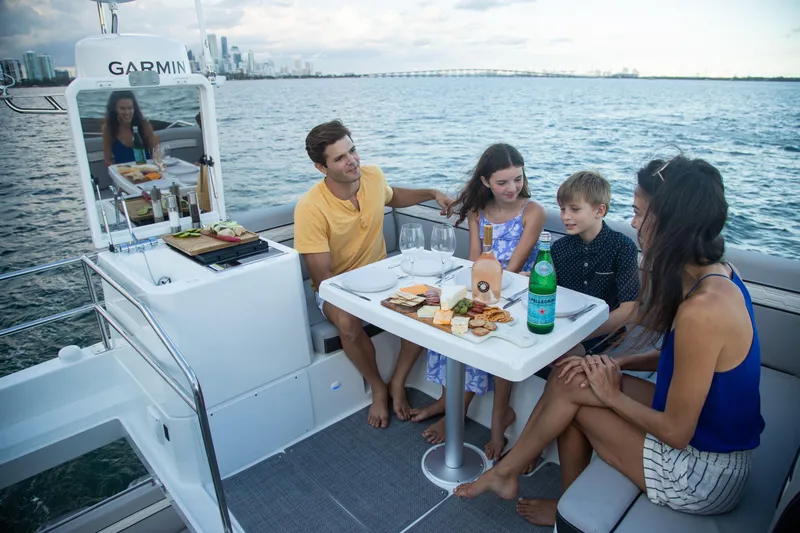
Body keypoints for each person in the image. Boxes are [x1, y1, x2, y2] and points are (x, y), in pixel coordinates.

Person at [454, 155, 765, 527]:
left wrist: (610, 393)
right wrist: (619, 364)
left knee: (573, 393)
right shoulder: (720, 274)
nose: (633, 224)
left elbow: (676, 433)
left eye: (638, 213)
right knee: (572, 375)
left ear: (671, 222)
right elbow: (680, 358)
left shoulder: (704, 311)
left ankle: (514, 478)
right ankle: (517, 477)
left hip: (702, 474)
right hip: (702, 431)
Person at [294, 120, 454, 428]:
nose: (352, 160)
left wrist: (433, 192)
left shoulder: (372, 176)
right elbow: (324, 279)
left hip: (385, 277)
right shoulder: (310, 208)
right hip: (337, 288)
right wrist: (364, 301)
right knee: (347, 322)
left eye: (352, 150)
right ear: (320, 167)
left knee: (430, 305)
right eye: (340, 158)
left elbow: (393, 196)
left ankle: (398, 381)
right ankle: (379, 388)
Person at [409, 143, 546, 458]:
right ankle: (449, 401)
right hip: (483, 286)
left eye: (518, 179)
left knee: (474, 329)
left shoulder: (533, 211)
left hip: (515, 294)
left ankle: (458, 413)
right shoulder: (477, 212)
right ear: (485, 182)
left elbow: (513, 268)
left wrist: (478, 302)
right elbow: (473, 261)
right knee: (444, 320)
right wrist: (467, 299)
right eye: (503, 182)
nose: (512, 188)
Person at [551, 170, 640, 358]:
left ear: (600, 210)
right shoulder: (558, 248)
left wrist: (575, 335)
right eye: (562, 209)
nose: (565, 216)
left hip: (605, 331)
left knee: (562, 358)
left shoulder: (622, 247)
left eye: (574, 209)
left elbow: (629, 309)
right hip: (564, 325)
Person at [102, 91, 158, 166]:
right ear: (115, 109)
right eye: (122, 108)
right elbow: (108, 161)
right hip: (122, 173)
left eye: (130, 108)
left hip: (147, 171)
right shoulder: (108, 128)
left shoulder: (144, 125)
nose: (127, 112)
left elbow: (155, 154)